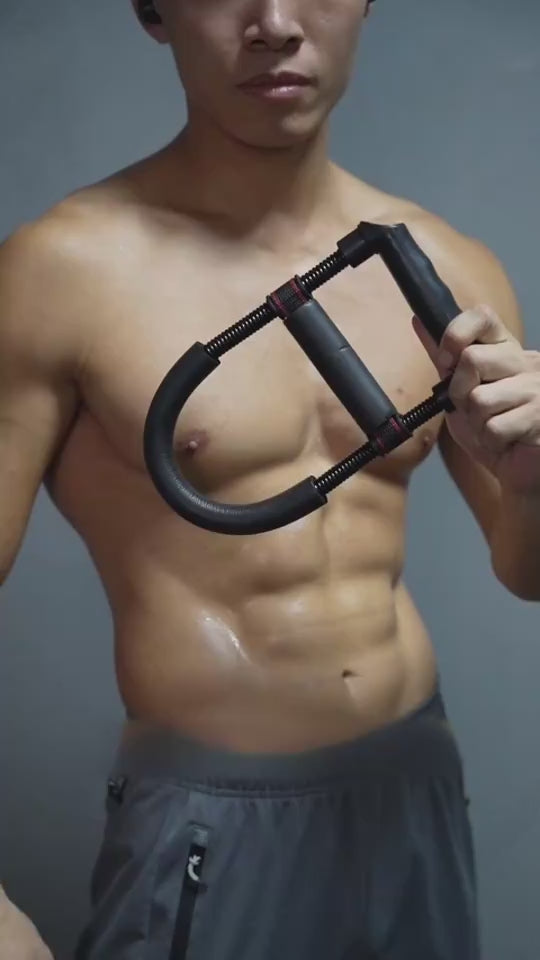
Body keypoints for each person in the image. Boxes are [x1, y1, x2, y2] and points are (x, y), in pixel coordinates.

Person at [1, 1, 539, 957]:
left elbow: (529, 568)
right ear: (154, 11)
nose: (276, 22)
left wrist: (533, 479)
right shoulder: (62, 271)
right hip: (210, 825)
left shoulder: (450, 265)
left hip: (413, 788)